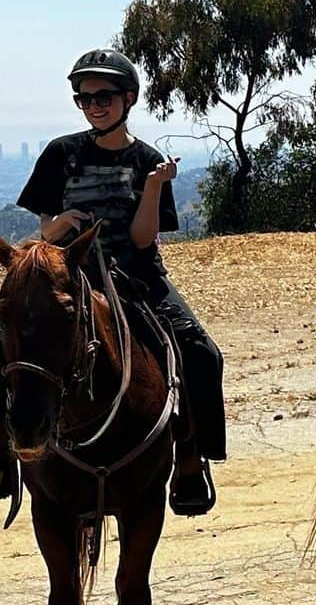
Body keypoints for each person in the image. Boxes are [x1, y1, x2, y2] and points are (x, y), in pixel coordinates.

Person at [8, 49, 225, 514]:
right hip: (68, 277)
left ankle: (191, 456)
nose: (93, 105)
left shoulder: (147, 160)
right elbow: (44, 230)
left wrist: (152, 186)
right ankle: (6, 458)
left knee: (202, 354)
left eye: (102, 96)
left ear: (128, 98)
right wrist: (62, 220)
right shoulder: (60, 154)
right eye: (83, 98)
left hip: (136, 278)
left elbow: (144, 239)